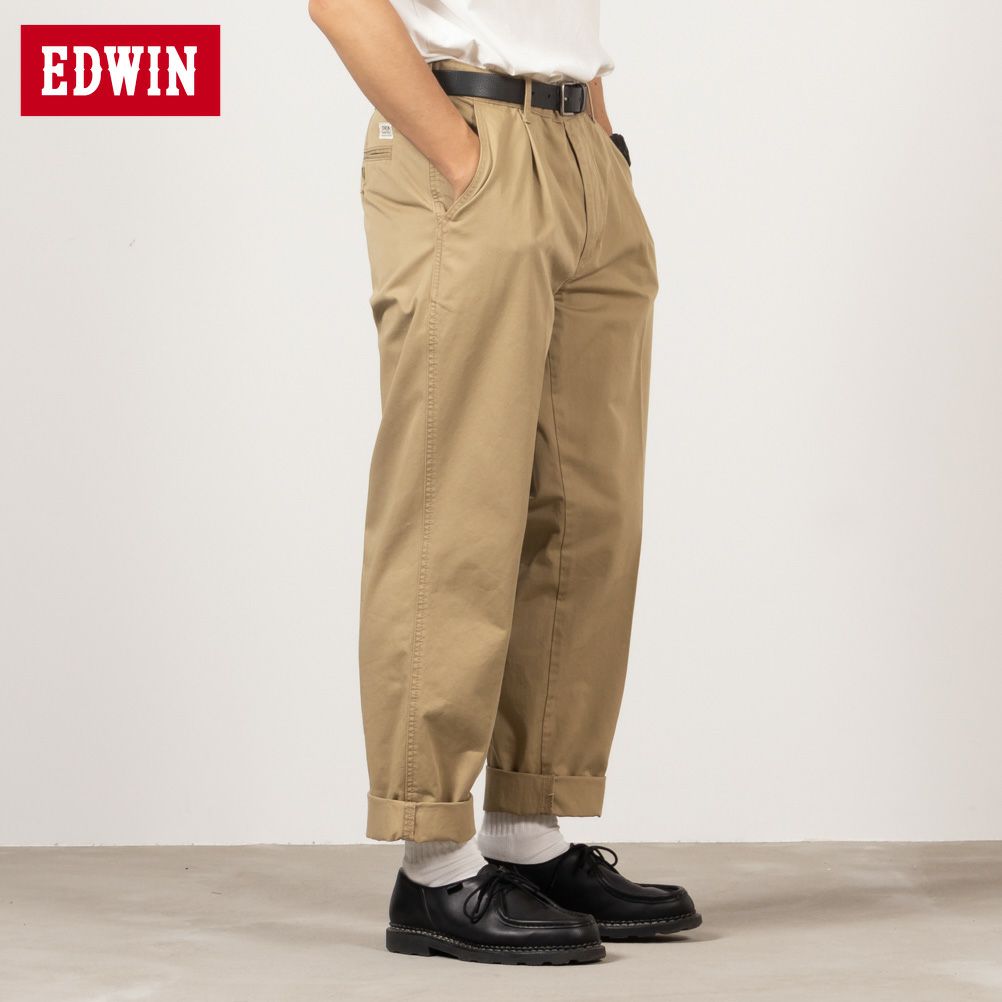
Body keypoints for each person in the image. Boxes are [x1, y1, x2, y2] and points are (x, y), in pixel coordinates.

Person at [308, 0, 701, 965]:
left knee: (588, 511)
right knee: (456, 506)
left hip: (580, 147)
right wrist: (463, 159)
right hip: (469, 134)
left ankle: (527, 834)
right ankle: (433, 864)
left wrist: (599, 143)